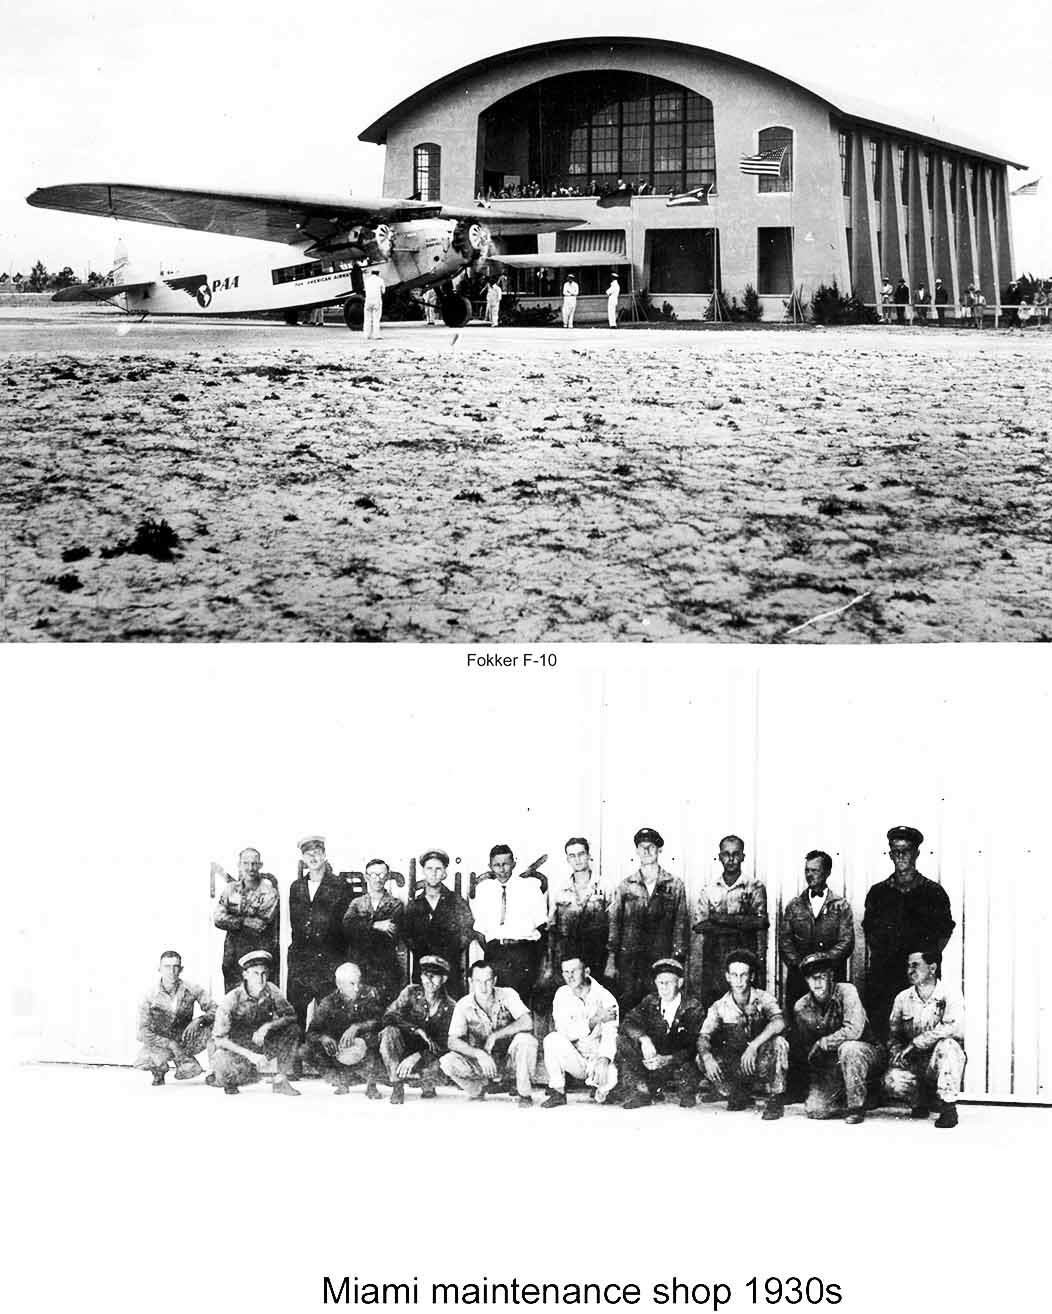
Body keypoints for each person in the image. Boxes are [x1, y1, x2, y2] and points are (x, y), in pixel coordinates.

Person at [862, 825, 955, 1042]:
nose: (901, 856)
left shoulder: (933, 892)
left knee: (922, 1033)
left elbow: (944, 933)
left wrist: (924, 962)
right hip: (885, 977)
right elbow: (870, 932)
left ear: (916, 854)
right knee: (885, 1034)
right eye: (896, 851)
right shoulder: (878, 893)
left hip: (920, 978)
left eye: (906, 851)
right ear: (890, 854)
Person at [793, 952, 884, 1124]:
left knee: (849, 1048)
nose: (817, 982)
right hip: (833, 1063)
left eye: (822, 976)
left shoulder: (847, 991)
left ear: (831, 976)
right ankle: (859, 1095)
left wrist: (824, 1042)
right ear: (806, 980)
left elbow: (854, 1030)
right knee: (815, 1109)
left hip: (866, 1054)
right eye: (812, 978)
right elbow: (808, 1049)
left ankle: (856, 1107)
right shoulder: (801, 1007)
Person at [697, 948, 788, 1119]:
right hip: (736, 1062)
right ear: (727, 977)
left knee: (780, 1043)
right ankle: (736, 1092)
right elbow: (703, 1036)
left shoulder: (763, 998)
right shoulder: (719, 1006)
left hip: (759, 1060)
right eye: (734, 975)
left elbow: (779, 1022)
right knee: (701, 1057)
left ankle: (776, 1098)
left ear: (751, 977)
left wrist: (754, 1046)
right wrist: (707, 1057)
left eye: (743, 975)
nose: (738, 981)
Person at [605, 827, 689, 1012]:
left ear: (659, 849)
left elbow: (681, 924)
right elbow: (614, 924)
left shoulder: (674, 885)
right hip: (630, 961)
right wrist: (611, 959)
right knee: (630, 1007)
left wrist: (677, 960)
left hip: (661, 958)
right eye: (642, 847)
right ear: (636, 851)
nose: (646, 851)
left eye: (651, 846)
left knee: (661, 1006)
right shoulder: (626, 886)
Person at [882, 949, 965, 1128]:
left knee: (948, 1046)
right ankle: (919, 1101)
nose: (909, 971)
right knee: (891, 1079)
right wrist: (896, 1053)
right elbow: (893, 1034)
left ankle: (948, 1107)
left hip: (938, 1061)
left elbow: (952, 1028)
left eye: (915, 966)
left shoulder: (950, 993)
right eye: (908, 966)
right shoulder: (903, 998)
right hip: (916, 1062)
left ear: (932, 968)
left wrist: (915, 1043)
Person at [439, 960, 539, 1106]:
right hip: (482, 1063)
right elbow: (452, 1041)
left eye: (487, 981)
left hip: (510, 1060)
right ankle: (478, 1089)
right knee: (447, 1062)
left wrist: (496, 1035)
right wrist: (479, 1054)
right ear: (470, 982)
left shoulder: (508, 994)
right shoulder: (463, 1004)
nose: (483, 987)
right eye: (478, 981)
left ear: (495, 981)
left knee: (526, 1040)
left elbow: (527, 1022)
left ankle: (523, 1093)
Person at [615, 958, 704, 1109]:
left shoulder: (692, 1007)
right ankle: (642, 1091)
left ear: (679, 983)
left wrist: (668, 1059)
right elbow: (628, 1021)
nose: (664, 987)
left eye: (668, 982)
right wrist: (644, 1039)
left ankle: (685, 1091)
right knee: (622, 1041)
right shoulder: (650, 1001)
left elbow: (693, 1046)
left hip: (679, 1063)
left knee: (687, 1098)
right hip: (654, 1060)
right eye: (660, 982)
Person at [211, 950, 301, 1096]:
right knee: (222, 1061)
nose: (260, 978)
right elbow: (219, 1039)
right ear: (245, 975)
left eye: (264, 973)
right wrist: (251, 1055)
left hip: (261, 1042)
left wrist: (267, 1026)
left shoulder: (271, 990)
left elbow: (291, 1016)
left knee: (292, 1029)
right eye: (255, 973)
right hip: (240, 1048)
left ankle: (280, 1080)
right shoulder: (232, 999)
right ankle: (229, 1080)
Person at [693, 834, 768, 1007]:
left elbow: (761, 922)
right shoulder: (710, 888)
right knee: (714, 1002)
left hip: (745, 952)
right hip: (715, 955)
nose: (731, 859)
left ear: (743, 856)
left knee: (745, 1001)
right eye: (726, 854)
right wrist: (740, 923)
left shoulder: (754, 887)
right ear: (720, 857)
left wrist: (720, 919)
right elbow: (700, 925)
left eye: (736, 854)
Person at [287, 835, 353, 1030]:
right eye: (308, 854)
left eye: (317, 853)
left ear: (324, 855)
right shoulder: (296, 887)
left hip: (329, 960)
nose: (313, 858)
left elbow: (346, 926)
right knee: (295, 1015)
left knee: (330, 1015)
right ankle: (297, 1048)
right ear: (303, 858)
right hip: (302, 962)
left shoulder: (340, 886)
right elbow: (296, 925)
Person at [469, 844, 548, 1005]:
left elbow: (542, 925)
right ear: (490, 866)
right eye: (497, 865)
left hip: (523, 953)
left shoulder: (530, 887)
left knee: (521, 1003)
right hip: (496, 954)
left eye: (505, 864)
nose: (502, 869)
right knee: (497, 1003)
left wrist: (533, 954)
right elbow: (479, 930)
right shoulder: (484, 890)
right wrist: (493, 947)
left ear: (513, 864)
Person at [779, 850, 854, 1014]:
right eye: (807, 870)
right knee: (798, 1021)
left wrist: (822, 963)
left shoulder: (840, 905)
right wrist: (800, 964)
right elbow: (785, 941)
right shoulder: (794, 905)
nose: (809, 875)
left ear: (827, 872)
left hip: (831, 978)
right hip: (800, 979)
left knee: (832, 1018)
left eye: (815, 870)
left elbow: (846, 942)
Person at [541, 955, 619, 1107]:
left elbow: (611, 1033)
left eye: (574, 971)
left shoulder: (605, 997)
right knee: (552, 1039)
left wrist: (604, 1059)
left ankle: (599, 1089)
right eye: (566, 972)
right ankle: (558, 1091)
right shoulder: (562, 994)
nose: (569, 976)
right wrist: (593, 1021)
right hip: (575, 1057)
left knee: (612, 1078)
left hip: (597, 1057)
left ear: (586, 971)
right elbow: (564, 1031)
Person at [379, 955, 456, 1104]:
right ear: (421, 977)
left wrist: (418, 1055)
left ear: (444, 979)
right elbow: (388, 1016)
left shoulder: (450, 1006)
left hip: (428, 1055)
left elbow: (445, 1044)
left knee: (439, 1067)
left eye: (434, 976)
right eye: (425, 975)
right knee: (389, 1032)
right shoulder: (410, 993)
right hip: (404, 1048)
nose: (429, 980)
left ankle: (427, 1084)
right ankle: (397, 1084)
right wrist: (416, 1029)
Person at [302, 960, 384, 1097]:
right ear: (339, 984)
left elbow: (381, 1020)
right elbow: (311, 1032)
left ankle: (371, 1084)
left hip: (366, 1048)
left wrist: (357, 1027)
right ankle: (341, 1080)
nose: (357, 988)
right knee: (305, 1051)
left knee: (377, 1038)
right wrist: (324, 1038)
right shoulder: (328, 1003)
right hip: (340, 1051)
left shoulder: (370, 993)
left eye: (358, 982)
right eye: (351, 984)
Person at [134, 950, 215, 1085]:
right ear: (159, 969)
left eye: (175, 967)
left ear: (181, 969)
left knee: (215, 1028)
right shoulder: (150, 995)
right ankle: (159, 1072)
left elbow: (216, 1010)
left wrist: (200, 1020)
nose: (171, 971)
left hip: (187, 1039)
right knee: (144, 1060)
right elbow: (141, 1032)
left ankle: (214, 1073)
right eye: (167, 967)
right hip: (163, 1043)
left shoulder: (191, 988)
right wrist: (170, 1044)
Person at [403, 849, 476, 997]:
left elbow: (466, 932)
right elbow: (407, 935)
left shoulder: (457, 902)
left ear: (444, 873)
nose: (434, 873)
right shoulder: (414, 905)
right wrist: (425, 954)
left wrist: (446, 953)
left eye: (438, 869)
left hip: (449, 969)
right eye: (429, 869)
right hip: (423, 968)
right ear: (423, 871)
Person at [213, 847, 280, 992]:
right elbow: (218, 918)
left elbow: (260, 924)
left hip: (257, 951)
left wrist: (232, 919)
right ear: (239, 865)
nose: (250, 868)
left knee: (258, 994)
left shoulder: (269, 893)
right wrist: (244, 921)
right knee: (233, 995)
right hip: (232, 952)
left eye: (254, 864)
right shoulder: (230, 889)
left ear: (260, 865)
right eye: (246, 863)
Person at [547, 836, 609, 989]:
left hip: (597, 954)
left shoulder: (605, 886)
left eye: (581, 854)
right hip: (569, 955)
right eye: (572, 856)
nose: (577, 859)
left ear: (588, 855)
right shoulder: (560, 889)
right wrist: (549, 963)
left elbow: (614, 924)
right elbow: (552, 928)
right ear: (568, 859)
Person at [342, 857, 404, 1005]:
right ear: (366, 877)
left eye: (382, 875)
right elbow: (347, 928)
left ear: (387, 877)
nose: (378, 879)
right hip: (360, 966)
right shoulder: (357, 903)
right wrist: (375, 925)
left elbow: (392, 934)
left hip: (386, 968)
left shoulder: (396, 904)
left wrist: (362, 927)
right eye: (373, 875)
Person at [363, 269, 384, 339]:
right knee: (376, 319)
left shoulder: (367, 280)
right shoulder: (380, 280)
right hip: (377, 301)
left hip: (368, 301)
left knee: (367, 318)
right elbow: (383, 291)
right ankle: (376, 335)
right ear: (378, 273)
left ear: (371, 273)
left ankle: (367, 335)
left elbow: (365, 290)